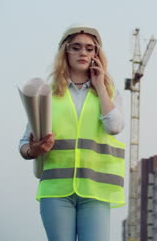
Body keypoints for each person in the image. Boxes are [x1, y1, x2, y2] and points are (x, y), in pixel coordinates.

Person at [18, 24, 125, 241]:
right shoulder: (47, 93)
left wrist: (100, 86)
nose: (83, 53)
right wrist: (34, 149)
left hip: (95, 190)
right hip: (56, 190)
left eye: (89, 48)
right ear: (65, 52)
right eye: (76, 47)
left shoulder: (109, 92)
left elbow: (114, 127)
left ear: (96, 54)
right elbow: (23, 145)